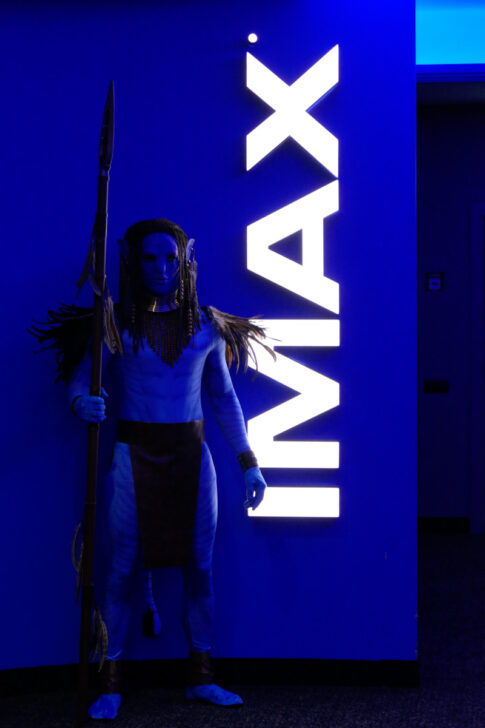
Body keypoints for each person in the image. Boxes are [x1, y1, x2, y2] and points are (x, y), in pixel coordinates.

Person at [65, 218, 270, 720]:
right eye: (150, 258)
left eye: (170, 259)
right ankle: (110, 683)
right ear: (132, 260)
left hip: (191, 460)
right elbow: (80, 378)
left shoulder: (206, 327)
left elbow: (224, 399)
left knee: (201, 570)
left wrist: (249, 462)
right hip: (131, 457)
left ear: (185, 261)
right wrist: (80, 403)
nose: (160, 268)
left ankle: (201, 678)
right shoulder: (114, 323)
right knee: (119, 572)